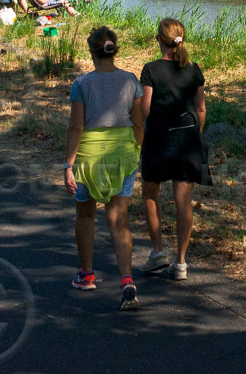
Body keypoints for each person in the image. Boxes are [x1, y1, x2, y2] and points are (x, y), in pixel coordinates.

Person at [63, 26, 146, 310]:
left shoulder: (81, 84)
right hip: (122, 156)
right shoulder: (131, 82)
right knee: (118, 219)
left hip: (88, 157)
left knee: (86, 215)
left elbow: (75, 127)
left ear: (92, 52)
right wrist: (137, 152)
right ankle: (126, 280)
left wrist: (68, 165)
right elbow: (138, 123)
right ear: (115, 50)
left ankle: (86, 274)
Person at [138, 17, 212, 281]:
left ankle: (158, 251)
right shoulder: (194, 69)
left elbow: (145, 109)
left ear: (159, 39)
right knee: (183, 201)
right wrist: (195, 134)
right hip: (188, 141)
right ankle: (180, 262)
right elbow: (201, 109)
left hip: (159, 140)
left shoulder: (150, 69)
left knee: (150, 192)